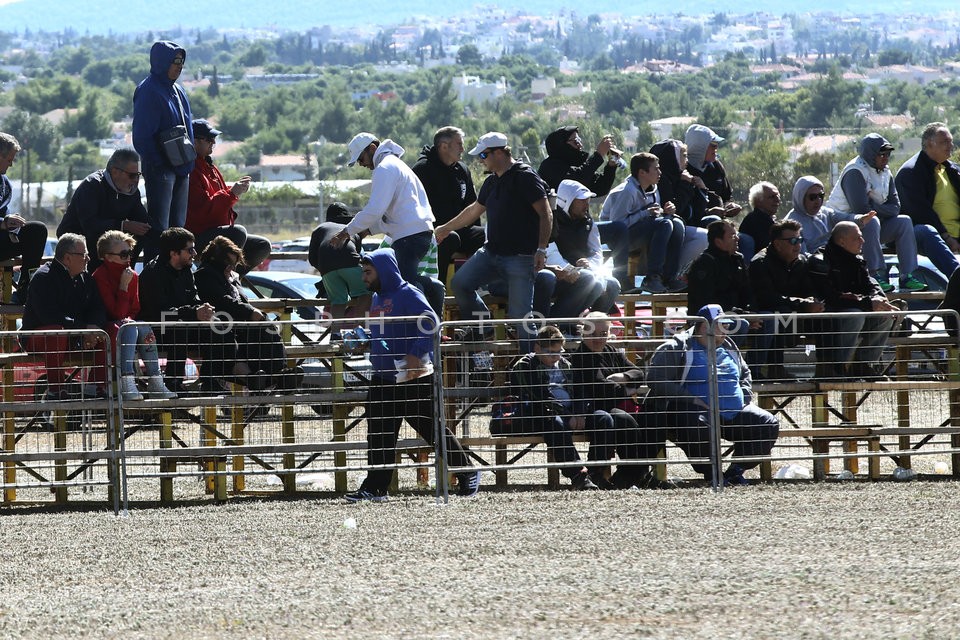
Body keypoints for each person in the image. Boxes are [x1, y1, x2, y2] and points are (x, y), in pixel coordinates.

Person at [345, 248, 480, 502]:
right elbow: (385, 332)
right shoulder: (376, 298)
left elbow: (431, 323)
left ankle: (467, 472)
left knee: (432, 430)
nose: (363, 277)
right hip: (383, 376)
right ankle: (375, 488)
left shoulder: (408, 293)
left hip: (413, 377)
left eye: (368, 271)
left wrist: (417, 353)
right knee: (379, 434)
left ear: (383, 271)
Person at [436, 132, 552, 346]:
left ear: (499, 152)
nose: (481, 160)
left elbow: (545, 213)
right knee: (460, 283)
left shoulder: (525, 177)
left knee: (520, 317)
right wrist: (445, 228)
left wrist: (542, 249)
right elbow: (473, 211)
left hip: (520, 257)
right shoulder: (492, 181)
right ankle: (485, 327)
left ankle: (532, 369)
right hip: (491, 253)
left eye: (483, 155)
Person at [645, 304, 780, 486]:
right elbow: (656, 379)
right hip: (694, 414)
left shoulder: (729, 346)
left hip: (733, 412)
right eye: (721, 325)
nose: (727, 329)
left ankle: (735, 472)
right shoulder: (677, 347)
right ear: (704, 327)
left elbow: (745, 373)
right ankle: (711, 474)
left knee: (767, 423)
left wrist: (744, 395)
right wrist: (691, 399)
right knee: (696, 421)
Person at [331, 132, 444, 315]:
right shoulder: (396, 165)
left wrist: (347, 232)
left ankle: (424, 313)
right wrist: (369, 228)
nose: (361, 163)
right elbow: (395, 212)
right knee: (403, 282)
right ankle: (430, 294)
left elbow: (375, 209)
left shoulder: (384, 168)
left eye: (361, 157)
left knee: (402, 285)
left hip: (408, 237)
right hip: (418, 233)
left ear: (373, 148)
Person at [567, 313, 675, 489]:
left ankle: (632, 474)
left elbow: (640, 374)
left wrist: (622, 376)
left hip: (622, 405)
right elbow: (602, 389)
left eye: (603, 333)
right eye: (594, 334)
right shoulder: (581, 356)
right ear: (583, 333)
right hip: (598, 410)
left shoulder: (611, 351)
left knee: (655, 418)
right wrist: (627, 388)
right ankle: (636, 475)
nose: (599, 339)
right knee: (624, 420)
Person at [507, 325, 610, 490]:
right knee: (555, 424)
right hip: (539, 415)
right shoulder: (525, 365)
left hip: (570, 413)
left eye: (559, 351)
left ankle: (595, 472)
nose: (556, 357)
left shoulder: (565, 365)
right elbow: (540, 397)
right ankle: (578, 475)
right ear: (537, 348)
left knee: (603, 418)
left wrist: (580, 414)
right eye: (551, 352)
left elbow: (580, 391)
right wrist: (568, 415)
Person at [137, 227, 238, 395]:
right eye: (190, 249)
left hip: (184, 323)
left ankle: (211, 379)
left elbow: (194, 300)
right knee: (179, 328)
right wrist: (193, 313)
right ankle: (173, 381)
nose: (194, 253)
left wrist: (204, 310)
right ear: (174, 253)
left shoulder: (186, 271)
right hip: (157, 329)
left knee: (222, 326)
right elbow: (161, 312)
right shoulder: (153, 273)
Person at [194, 235, 301, 391]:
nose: (232, 268)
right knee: (233, 336)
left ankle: (280, 373)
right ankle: (253, 378)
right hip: (218, 330)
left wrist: (255, 315)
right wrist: (251, 312)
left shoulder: (231, 277)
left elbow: (241, 301)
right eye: (228, 264)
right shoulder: (204, 275)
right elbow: (222, 301)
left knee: (268, 329)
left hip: (239, 327)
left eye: (234, 264)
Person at [825, 133, 928, 292]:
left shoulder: (886, 172)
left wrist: (873, 205)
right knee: (872, 221)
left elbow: (895, 207)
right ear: (870, 154)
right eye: (882, 154)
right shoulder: (855, 171)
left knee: (904, 221)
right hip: (843, 227)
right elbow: (862, 211)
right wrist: (878, 209)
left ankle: (907, 275)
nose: (886, 157)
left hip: (871, 228)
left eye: (888, 154)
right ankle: (875, 274)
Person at [91, 230, 176, 401]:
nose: (128, 258)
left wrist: (127, 316)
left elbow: (134, 309)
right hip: (107, 328)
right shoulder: (99, 276)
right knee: (128, 327)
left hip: (126, 326)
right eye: (123, 254)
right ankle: (127, 381)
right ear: (108, 257)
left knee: (142, 325)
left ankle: (155, 380)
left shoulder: (132, 275)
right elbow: (115, 312)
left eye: (130, 253)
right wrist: (123, 286)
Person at [21, 233, 107, 400]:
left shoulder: (86, 279)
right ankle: (55, 389)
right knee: (56, 331)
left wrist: (93, 327)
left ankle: (95, 386)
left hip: (73, 336)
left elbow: (97, 308)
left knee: (108, 331)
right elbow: (49, 316)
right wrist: (83, 328)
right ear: (67, 258)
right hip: (37, 337)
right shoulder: (43, 277)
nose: (88, 259)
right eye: (84, 254)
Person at [808, 221, 898, 380]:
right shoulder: (820, 260)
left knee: (885, 314)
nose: (862, 241)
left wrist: (876, 298)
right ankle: (836, 367)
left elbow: (869, 284)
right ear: (842, 241)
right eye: (857, 238)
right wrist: (868, 303)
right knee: (854, 314)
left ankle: (863, 365)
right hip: (825, 316)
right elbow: (831, 296)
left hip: (851, 310)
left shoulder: (856, 259)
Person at [132, 41, 194, 261]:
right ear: (161, 62)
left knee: (178, 229)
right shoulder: (148, 90)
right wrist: (160, 163)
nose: (179, 66)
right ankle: (155, 275)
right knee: (160, 229)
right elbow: (141, 136)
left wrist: (187, 161)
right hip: (161, 170)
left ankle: (177, 273)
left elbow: (189, 129)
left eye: (182, 62)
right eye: (174, 61)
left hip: (182, 168)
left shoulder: (178, 91)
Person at [186, 119, 271, 272]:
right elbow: (204, 210)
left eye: (214, 139)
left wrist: (234, 191)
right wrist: (232, 193)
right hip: (199, 236)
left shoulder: (210, 167)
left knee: (262, 245)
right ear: (195, 141)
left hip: (214, 231)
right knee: (237, 233)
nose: (213, 142)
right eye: (209, 139)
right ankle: (216, 280)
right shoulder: (191, 170)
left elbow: (220, 198)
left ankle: (231, 279)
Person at [748, 219, 825, 380]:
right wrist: (803, 304)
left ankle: (828, 369)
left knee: (826, 313)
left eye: (800, 240)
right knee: (778, 314)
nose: (798, 245)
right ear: (777, 244)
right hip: (768, 314)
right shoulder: (760, 263)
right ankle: (775, 368)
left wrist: (813, 301)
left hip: (795, 315)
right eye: (793, 241)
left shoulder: (801, 261)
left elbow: (809, 290)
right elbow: (767, 297)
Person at [534, 180, 617, 327]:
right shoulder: (551, 218)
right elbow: (550, 251)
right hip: (557, 273)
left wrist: (589, 264)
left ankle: (590, 329)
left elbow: (596, 250)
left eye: (588, 201)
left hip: (583, 272)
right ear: (567, 201)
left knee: (612, 285)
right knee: (592, 281)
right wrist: (570, 270)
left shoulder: (587, 221)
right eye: (582, 201)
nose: (587, 205)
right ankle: (555, 326)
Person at [57, 148, 155, 272]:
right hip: (81, 241)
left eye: (138, 175)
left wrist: (170, 238)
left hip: (107, 241)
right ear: (115, 172)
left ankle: (128, 273)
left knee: (141, 234)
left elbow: (144, 221)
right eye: (132, 175)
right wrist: (124, 225)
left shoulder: (131, 191)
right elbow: (90, 225)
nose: (136, 180)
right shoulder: (92, 186)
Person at [600, 152, 685, 293]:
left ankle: (669, 277)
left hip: (638, 232)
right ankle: (652, 277)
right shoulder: (627, 191)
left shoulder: (652, 189)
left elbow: (651, 217)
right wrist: (645, 213)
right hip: (620, 240)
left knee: (676, 223)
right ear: (642, 172)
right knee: (665, 224)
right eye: (656, 169)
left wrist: (665, 212)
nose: (660, 172)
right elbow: (617, 226)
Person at [411, 126, 483, 279]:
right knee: (450, 239)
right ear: (444, 146)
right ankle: (438, 289)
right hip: (431, 233)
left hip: (459, 229)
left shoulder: (462, 170)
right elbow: (413, 207)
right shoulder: (423, 170)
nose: (463, 149)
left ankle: (477, 284)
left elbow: (472, 206)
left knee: (486, 235)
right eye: (459, 144)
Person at [894, 121, 960, 278]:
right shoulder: (911, 173)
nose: (950, 146)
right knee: (926, 231)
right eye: (945, 142)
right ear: (929, 145)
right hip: (934, 238)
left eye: (951, 141)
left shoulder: (953, 169)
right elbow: (920, 213)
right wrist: (947, 237)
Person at [0, 132, 49, 302]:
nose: (11, 164)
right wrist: (4, 223)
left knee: (36, 230)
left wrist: (13, 224)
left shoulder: (4, 183)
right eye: (9, 160)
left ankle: (26, 288)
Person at [649, 138, 709, 273]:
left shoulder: (682, 177)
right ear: (672, 157)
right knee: (704, 237)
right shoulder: (662, 180)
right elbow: (677, 209)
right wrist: (685, 185)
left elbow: (698, 212)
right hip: (667, 228)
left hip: (686, 226)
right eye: (683, 155)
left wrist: (701, 189)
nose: (686, 160)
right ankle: (673, 274)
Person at [308, 202, 371, 326]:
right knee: (365, 293)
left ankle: (335, 335)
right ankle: (358, 331)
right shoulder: (352, 229)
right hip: (349, 261)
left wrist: (325, 268)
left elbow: (312, 259)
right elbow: (357, 257)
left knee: (337, 301)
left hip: (326, 267)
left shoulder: (320, 228)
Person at [686, 219, 753, 317]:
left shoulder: (738, 259)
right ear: (718, 242)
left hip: (737, 314)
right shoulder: (704, 263)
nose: (737, 239)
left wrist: (750, 311)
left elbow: (747, 291)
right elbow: (706, 300)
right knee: (742, 325)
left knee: (768, 320)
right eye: (732, 236)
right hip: (711, 318)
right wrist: (737, 313)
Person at [684, 124, 742, 227]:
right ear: (700, 147)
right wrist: (709, 212)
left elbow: (727, 196)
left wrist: (729, 205)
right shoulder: (684, 170)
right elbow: (685, 208)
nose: (716, 148)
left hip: (720, 224)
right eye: (713, 145)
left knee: (746, 240)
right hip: (695, 224)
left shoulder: (716, 166)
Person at [537, 125, 620, 197]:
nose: (580, 145)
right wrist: (598, 155)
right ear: (562, 145)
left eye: (579, 140)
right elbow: (577, 181)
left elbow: (600, 188)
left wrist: (611, 165)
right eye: (575, 141)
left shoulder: (575, 164)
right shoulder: (549, 166)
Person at [739, 182, 782, 254]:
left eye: (778, 196)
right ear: (758, 201)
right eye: (772, 197)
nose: (777, 200)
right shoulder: (754, 222)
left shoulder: (767, 219)